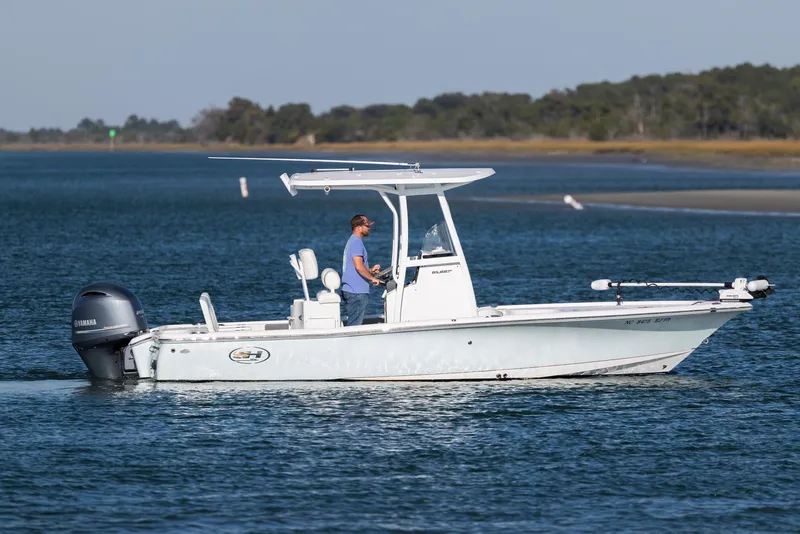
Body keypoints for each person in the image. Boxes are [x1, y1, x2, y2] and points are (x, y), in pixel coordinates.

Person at [341, 214, 382, 326]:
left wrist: (370, 270)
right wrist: (372, 278)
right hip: (356, 292)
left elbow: (356, 267)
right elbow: (358, 266)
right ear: (358, 227)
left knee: (354, 323)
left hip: (354, 290)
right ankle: (350, 344)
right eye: (367, 225)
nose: (369, 227)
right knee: (354, 326)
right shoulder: (356, 242)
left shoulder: (353, 241)